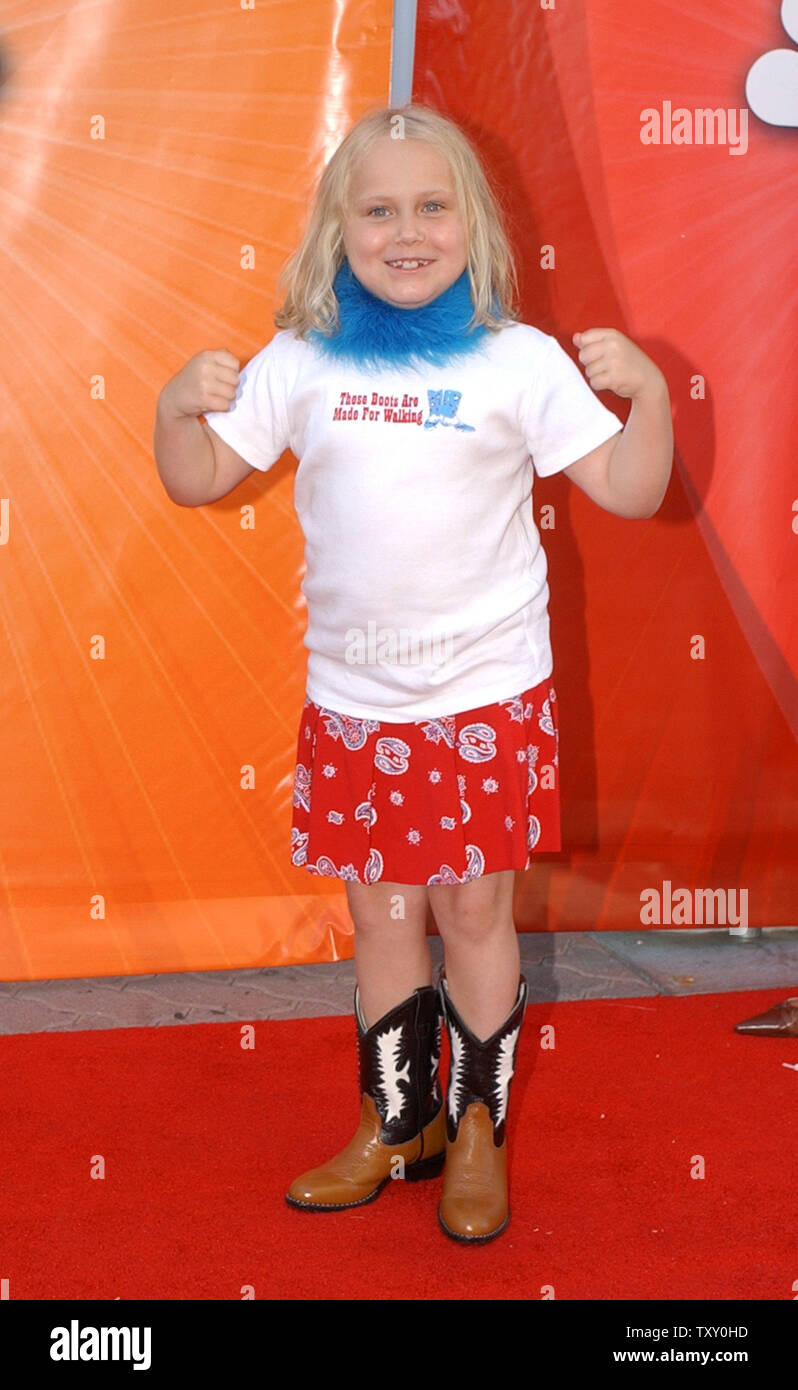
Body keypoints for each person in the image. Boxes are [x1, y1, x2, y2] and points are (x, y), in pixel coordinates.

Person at [153, 103, 673, 1244]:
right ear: (337, 227)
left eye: (431, 206)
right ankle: (401, 1122)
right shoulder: (301, 358)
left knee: (475, 906)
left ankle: (479, 1130)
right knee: (383, 912)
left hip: (484, 695)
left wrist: (654, 400)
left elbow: (631, 491)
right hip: (354, 700)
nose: (405, 231)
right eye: (377, 208)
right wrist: (171, 414)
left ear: (470, 222)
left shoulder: (517, 360)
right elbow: (197, 480)